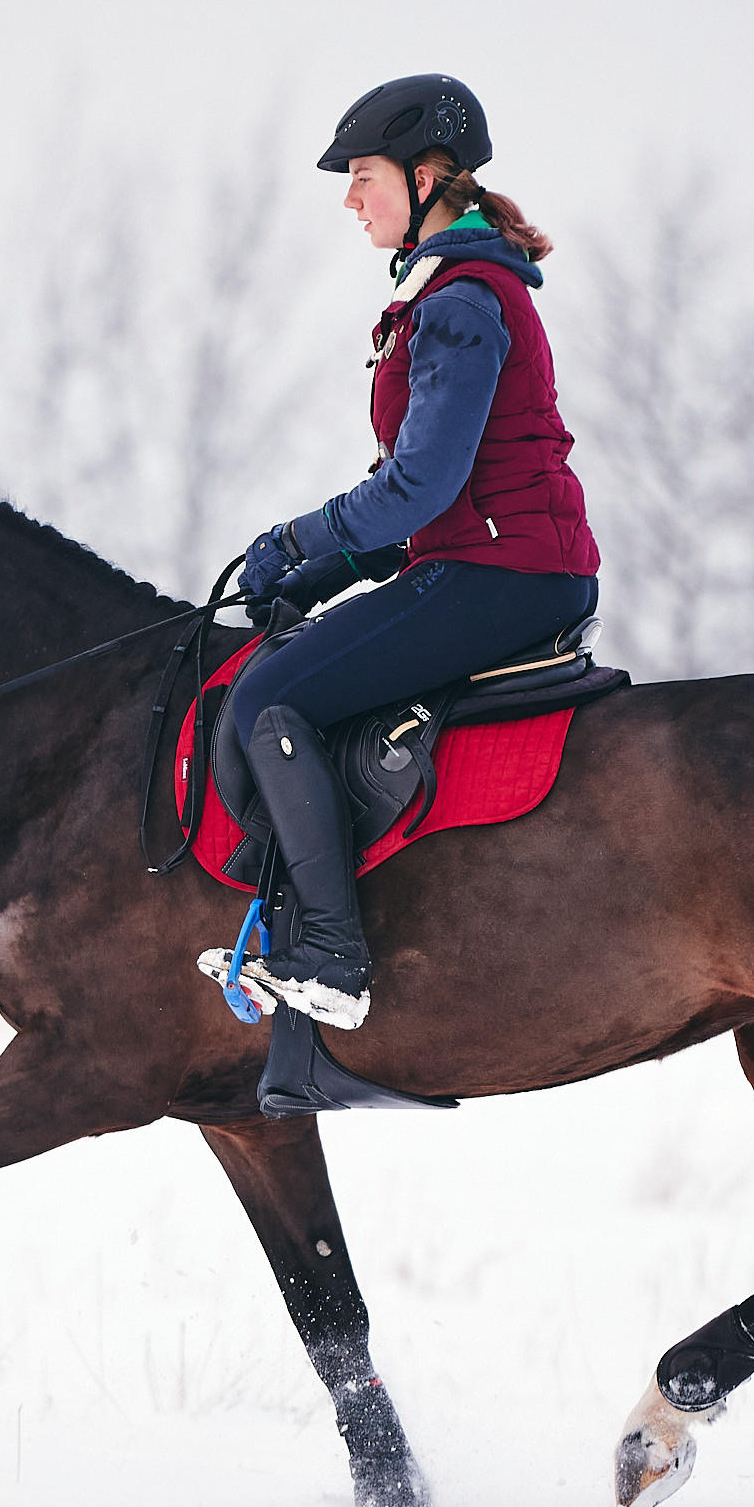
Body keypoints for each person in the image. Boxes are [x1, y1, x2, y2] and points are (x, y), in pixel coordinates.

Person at [216, 73, 602, 1031]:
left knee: (269, 701)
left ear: (425, 178)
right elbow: (433, 503)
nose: (351, 199)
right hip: (490, 562)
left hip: (505, 575)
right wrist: (332, 568)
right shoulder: (449, 292)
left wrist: (297, 538)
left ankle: (332, 958)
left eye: (364, 176)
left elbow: (420, 487)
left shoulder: (462, 302)